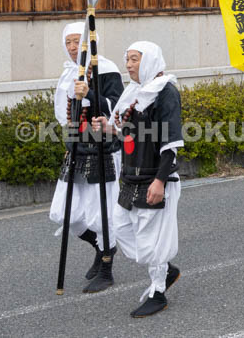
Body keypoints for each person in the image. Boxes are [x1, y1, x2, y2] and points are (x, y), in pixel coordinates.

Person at [93, 42, 182, 318]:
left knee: (150, 240)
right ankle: (164, 268)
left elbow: (171, 143)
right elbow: (124, 131)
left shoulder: (165, 91)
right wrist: (107, 127)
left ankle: (158, 291)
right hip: (130, 177)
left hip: (155, 176)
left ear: (150, 61)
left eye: (134, 59)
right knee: (119, 228)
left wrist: (160, 181)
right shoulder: (134, 92)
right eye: (127, 59)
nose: (128, 65)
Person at [48, 22, 125, 293]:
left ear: (89, 43)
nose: (71, 47)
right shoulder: (68, 73)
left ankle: (107, 267)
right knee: (64, 214)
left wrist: (89, 93)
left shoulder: (107, 68)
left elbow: (117, 109)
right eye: (67, 42)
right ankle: (101, 248)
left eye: (76, 42)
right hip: (77, 149)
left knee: (100, 215)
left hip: (102, 149)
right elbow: (65, 115)